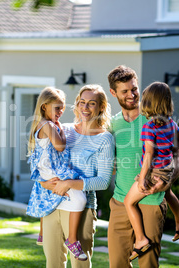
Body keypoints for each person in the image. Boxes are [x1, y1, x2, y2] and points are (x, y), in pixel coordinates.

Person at [107, 65, 179, 268]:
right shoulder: (112, 124)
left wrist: (167, 180)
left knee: (148, 264)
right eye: (125, 91)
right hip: (120, 201)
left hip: (152, 202)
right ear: (113, 93)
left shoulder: (155, 118)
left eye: (134, 89)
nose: (131, 95)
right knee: (117, 263)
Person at [39, 84, 115, 268]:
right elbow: (43, 158)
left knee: (79, 264)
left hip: (81, 208)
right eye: (82, 102)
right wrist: (44, 183)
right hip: (52, 202)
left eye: (91, 103)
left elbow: (103, 181)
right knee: (53, 262)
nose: (85, 108)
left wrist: (69, 184)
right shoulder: (64, 129)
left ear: (101, 107)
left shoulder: (104, 139)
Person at [26, 87, 88, 261]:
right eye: (57, 108)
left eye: (62, 108)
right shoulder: (47, 125)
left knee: (45, 196)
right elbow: (60, 146)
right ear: (44, 107)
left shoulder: (42, 124)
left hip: (46, 170)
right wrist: (61, 130)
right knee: (80, 199)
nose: (61, 112)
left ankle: (42, 233)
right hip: (52, 169)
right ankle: (72, 240)